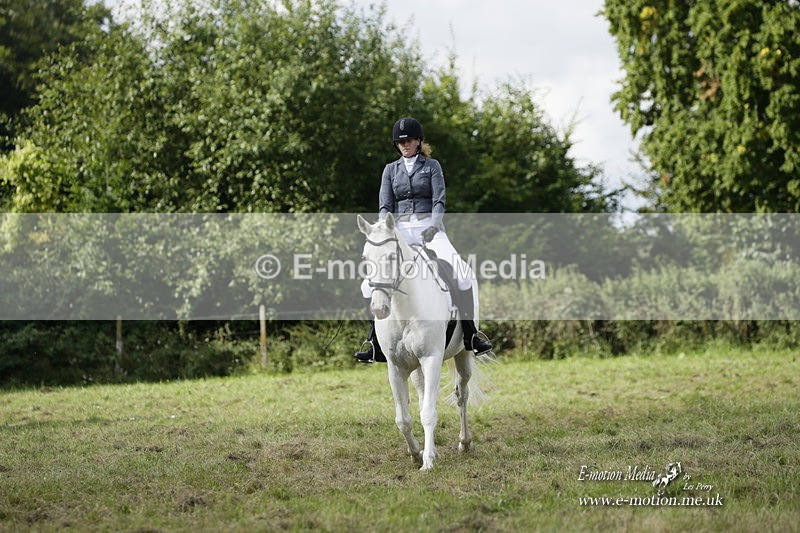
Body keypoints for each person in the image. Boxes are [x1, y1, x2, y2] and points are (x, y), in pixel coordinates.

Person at [355, 117, 493, 363]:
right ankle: (375, 341)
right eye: (400, 142)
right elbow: (385, 206)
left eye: (408, 141)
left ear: (418, 141)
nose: (404, 145)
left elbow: (439, 200)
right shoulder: (390, 170)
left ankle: (471, 334)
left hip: (430, 229)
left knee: (462, 274)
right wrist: (387, 232)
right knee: (369, 284)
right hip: (399, 233)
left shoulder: (432, 166)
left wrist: (433, 225)